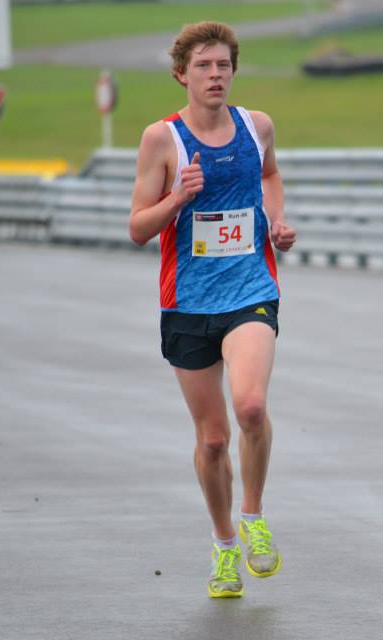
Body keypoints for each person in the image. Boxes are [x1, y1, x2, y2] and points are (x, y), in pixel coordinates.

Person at [128, 21, 297, 599]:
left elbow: (270, 174)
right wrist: (178, 197)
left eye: (223, 65)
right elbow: (137, 228)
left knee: (251, 406)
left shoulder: (257, 126)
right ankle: (225, 546)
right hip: (187, 303)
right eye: (203, 66)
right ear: (182, 75)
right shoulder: (162, 140)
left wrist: (275, 222)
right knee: (214, 440)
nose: (215, 75)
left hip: (250, 289)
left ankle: (253, 516)